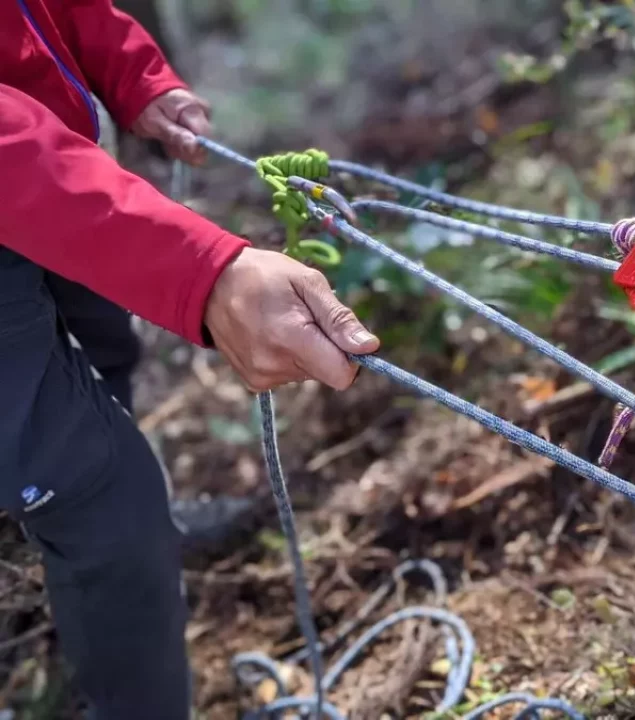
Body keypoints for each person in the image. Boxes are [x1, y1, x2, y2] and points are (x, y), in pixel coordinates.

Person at [1, 1, 380, 716]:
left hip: (50, 166)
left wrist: (132, 73)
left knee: (105, 353)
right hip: (26, 173)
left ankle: (73, 543)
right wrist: (203, 273)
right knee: (104, 497)